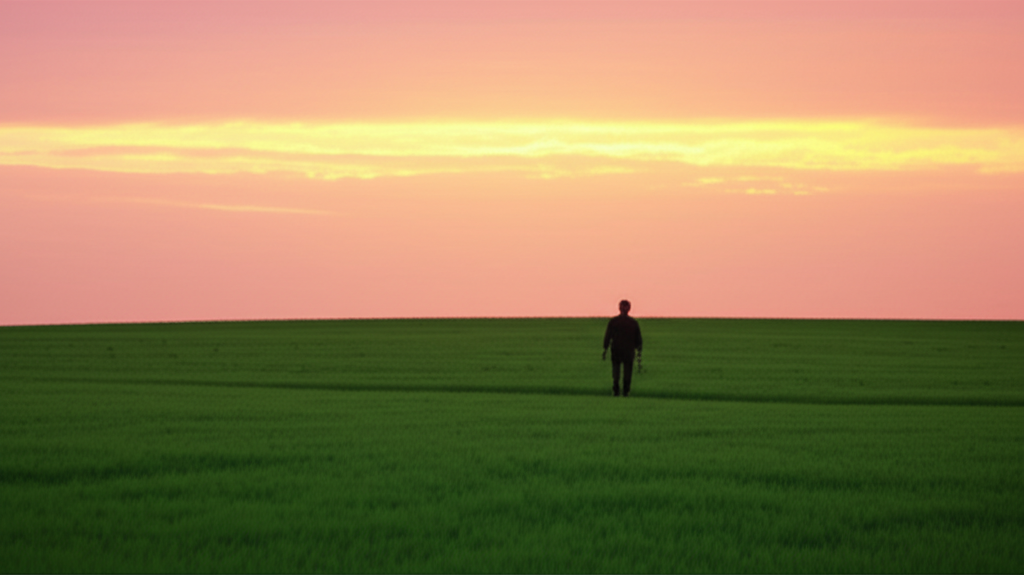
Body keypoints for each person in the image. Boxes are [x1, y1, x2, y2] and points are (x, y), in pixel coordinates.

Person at [603, 299, 643, 397]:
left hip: (616, 350)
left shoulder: (613, 322)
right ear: (629, 309)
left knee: (616, 372)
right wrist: (639, 350)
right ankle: (626, 391)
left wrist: (605, 349)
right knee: (627, 372)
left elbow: (608, 337)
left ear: (619, 308)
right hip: (629, 351)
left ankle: (616, 390)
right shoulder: (633, 323)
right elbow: (639, 339)